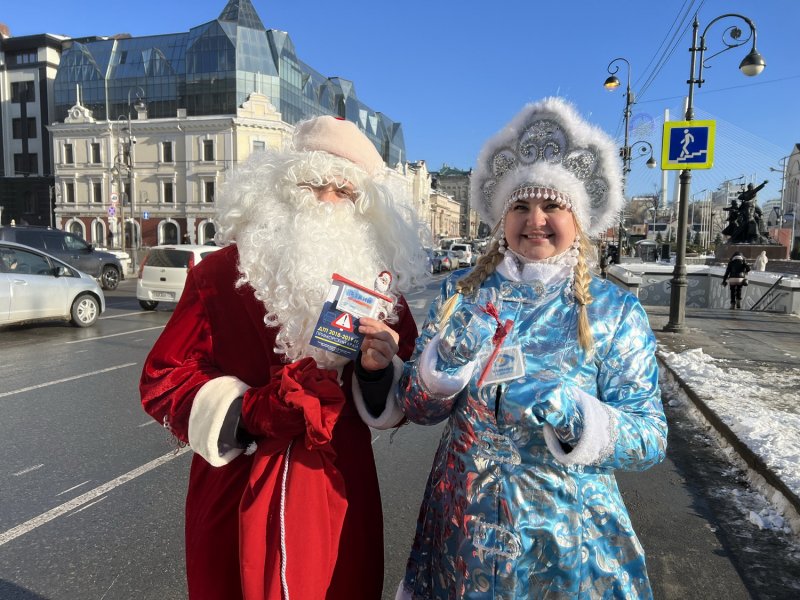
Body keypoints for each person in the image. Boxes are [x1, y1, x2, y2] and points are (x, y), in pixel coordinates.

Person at [140, 115, 429, 600]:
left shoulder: (381, 289)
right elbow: (162, 380)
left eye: (347, 193)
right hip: (237, 484)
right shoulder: (216, 274)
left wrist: (379, 373)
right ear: (280, 186)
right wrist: (251, 412)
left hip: (337, 484)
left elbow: (406, 394)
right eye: (316, 185)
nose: (329, 202)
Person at [394, 98, 668, 599]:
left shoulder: (613, 311)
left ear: (578, 219)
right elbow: (415, 406)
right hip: (463, 530)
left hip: (564, 538)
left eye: (552, 206)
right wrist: (441, 371)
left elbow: (649, 437)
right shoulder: (461, 293)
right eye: (520, 206)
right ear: (502, 216)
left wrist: (573, 413)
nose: (534, 219)